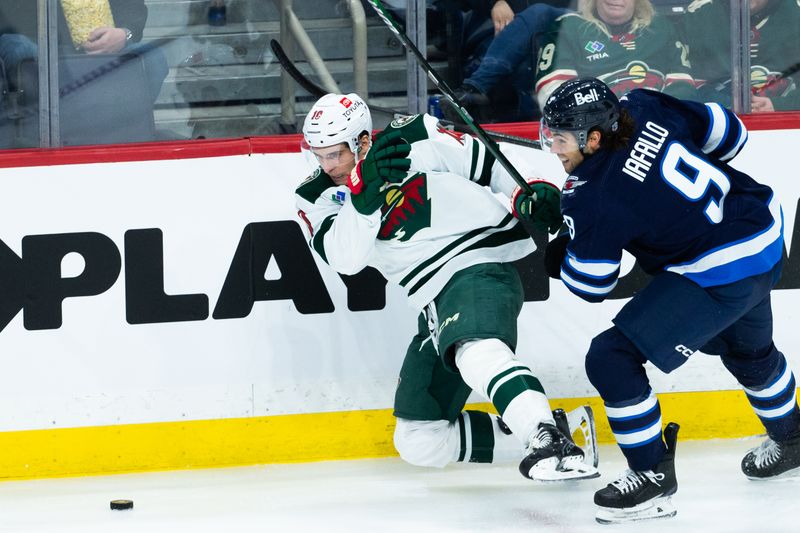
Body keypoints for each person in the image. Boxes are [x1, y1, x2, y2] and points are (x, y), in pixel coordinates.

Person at [294, 92, 598, 481]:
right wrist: (363, 196)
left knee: (474, 350)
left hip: (479, 260)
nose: (327, 165)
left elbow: (489, 161)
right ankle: (568, 433)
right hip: (432, 299)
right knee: (419, 439)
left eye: (335, 154)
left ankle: (542, 435)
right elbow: (345, 259)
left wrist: (529, 188)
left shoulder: (413, 137)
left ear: (363, 140)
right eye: (318, 155)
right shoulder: (314, 196)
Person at [538, 77, 800, 523]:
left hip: (719, 271)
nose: (554, 148)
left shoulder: (591, 195)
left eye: (560, 139)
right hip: (762, 236)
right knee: (748, 353)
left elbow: (591, 283)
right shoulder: (642, 104)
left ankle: (651, 477)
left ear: (593, 137)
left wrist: (561, 237)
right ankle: (793, 440)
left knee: (610, 358)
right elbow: (731, 134)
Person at [534, 0, 695, 110]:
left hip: (658, 126)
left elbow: (683, 86)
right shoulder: (567, 27)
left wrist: (654, 115)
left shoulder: (661, 28)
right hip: (596, 135)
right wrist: (606, 119)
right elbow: (553, 95)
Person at [0, 0, 167, 103]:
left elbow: (132, 7)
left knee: (154, 58)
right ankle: (31, 131)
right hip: (36, 46)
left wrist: (124, 33)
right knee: (18, 49)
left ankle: (125, 127)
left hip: (105, 47)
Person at [444, 1, 572, 124]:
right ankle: (473, 96)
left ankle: (473, 89)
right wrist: (495, 2)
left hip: (568, 23)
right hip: (504, 31)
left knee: (540, 13)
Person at [681, 0, 800, 112]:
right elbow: (682, 87)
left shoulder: (796, 13)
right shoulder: (699, 15)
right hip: (717, 124)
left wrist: (780, 105)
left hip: (782, 127)